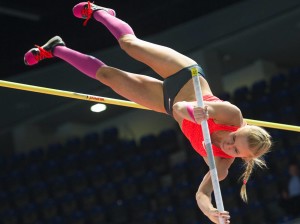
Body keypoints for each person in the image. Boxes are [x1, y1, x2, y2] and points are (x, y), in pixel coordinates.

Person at [24, 2, 272, 223]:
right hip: (184, 74)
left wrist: (209, 211)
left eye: (236, 150)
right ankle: (100, 11)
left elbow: (202, 194)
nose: (229, 145)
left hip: (165, 102)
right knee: (129, 45)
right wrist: (195, 111)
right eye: (233, 139)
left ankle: (55, 49)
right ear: (239, 128)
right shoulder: (231, 115)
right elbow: (180, 108)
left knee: (109, 77)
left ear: (244, 157)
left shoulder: (220, 165)